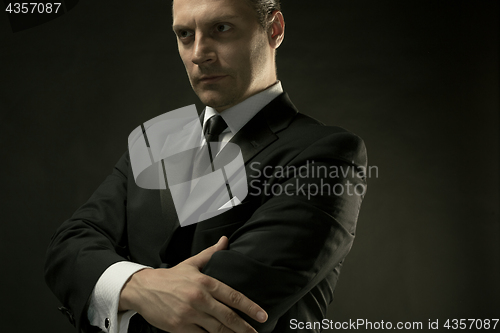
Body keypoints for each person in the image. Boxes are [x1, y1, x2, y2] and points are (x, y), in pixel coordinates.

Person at [44, 0, 368, 332]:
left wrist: (111, 293)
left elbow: (217, 313)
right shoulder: (152, 140)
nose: (199, 53)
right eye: (185, 34)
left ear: (274, 29)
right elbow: (68, 246)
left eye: (221, 29)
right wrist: (136, 285)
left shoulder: (328, 155)